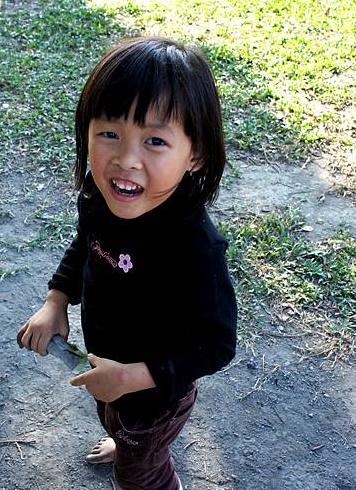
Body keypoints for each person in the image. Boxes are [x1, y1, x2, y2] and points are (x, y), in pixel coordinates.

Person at [17, 36, 237, 490]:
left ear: (194, 153)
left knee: (143, 473)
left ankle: (139, 455)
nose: (125, 159)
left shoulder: (194, 247)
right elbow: (86, 245)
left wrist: (131, 378)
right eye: (110, 133)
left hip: (155, 396)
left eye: (155, 140)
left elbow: (215, 345)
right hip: (108, 368)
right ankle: (126, 439)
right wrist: (56, 301)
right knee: (116, 420)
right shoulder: (100, 199)